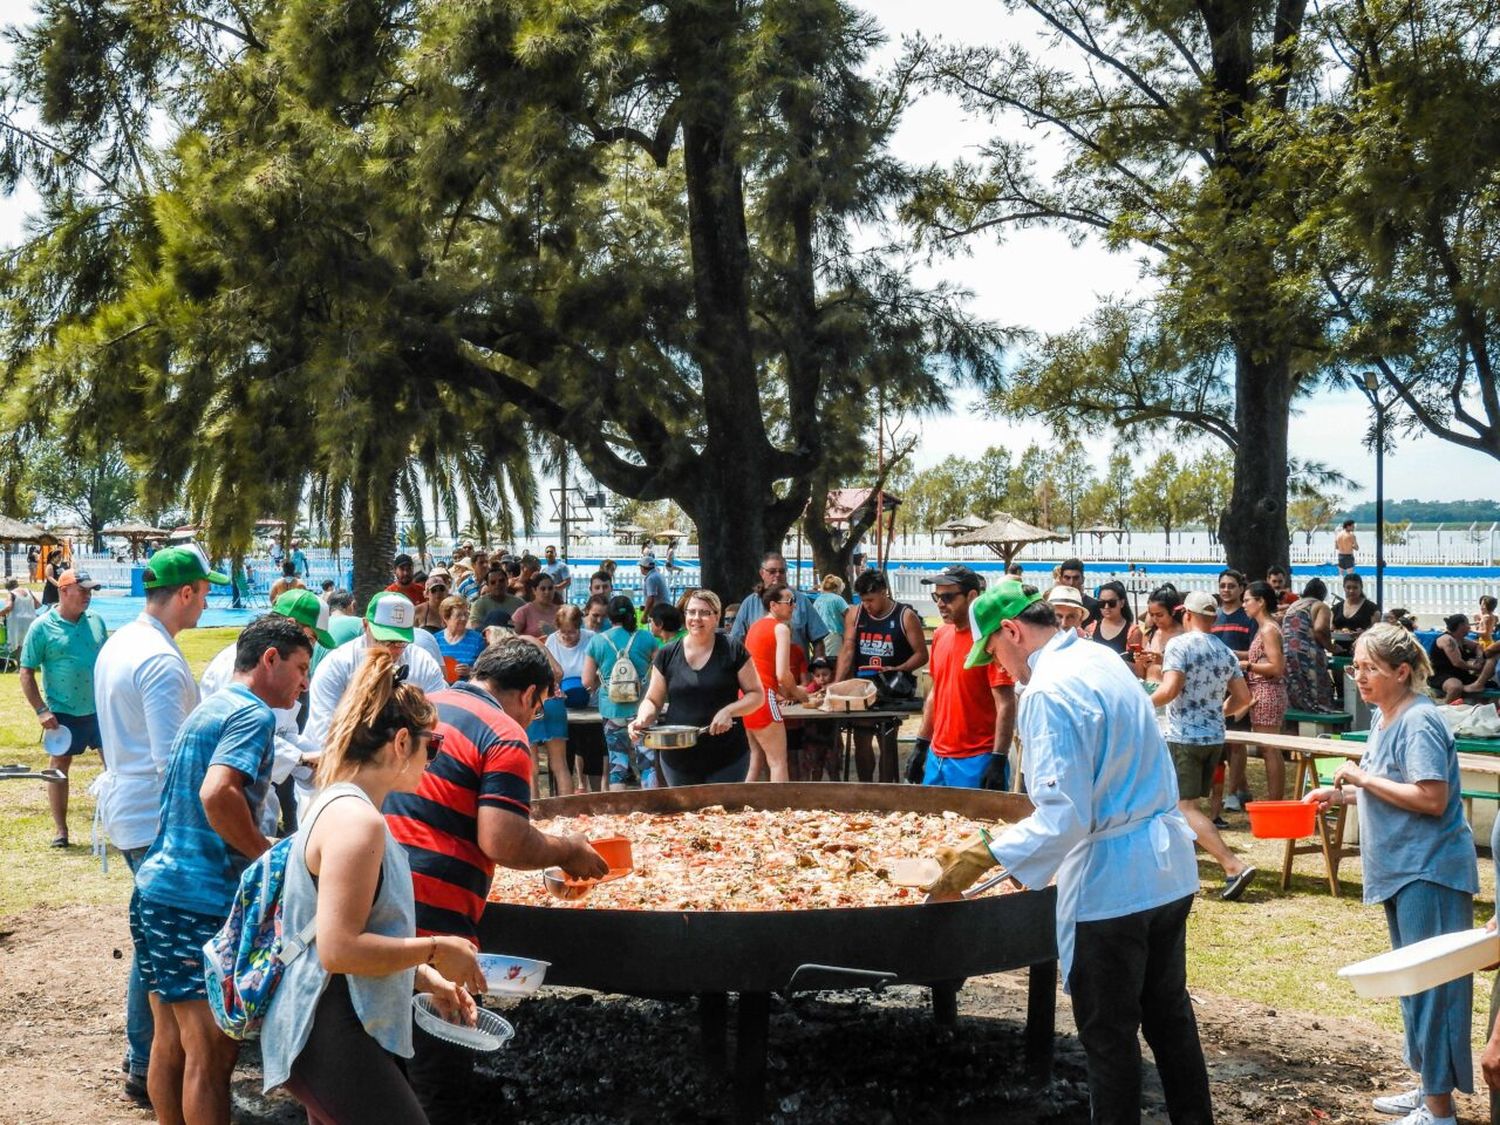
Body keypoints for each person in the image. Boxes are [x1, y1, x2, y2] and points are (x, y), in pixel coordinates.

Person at [927, 579, 1211, 1125]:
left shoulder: (1049, 692)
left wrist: (984, 853)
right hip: (1167, 870)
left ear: (1012, 630)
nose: (999, 666)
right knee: (1170, 1019)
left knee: (1108, 1037)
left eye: (994, 651)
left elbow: (1064, 816)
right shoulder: (1099, 658)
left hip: (1113, 888)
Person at [384, 640, 607, 1123]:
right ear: (529, 693)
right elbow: (502, 840)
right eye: (541, 702)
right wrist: (566, 848)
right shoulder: (504, 734)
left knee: (384, 1071)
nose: (537, 714)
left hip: (377, 895)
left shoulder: (426, 704)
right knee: (437, 1077)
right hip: (433, 913)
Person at [261, 647, 485, 1125]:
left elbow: (348, 931)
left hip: (333, 1021)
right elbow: (339, 949)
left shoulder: (346, 806)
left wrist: (422, 977)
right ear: (402, 742)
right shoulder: (357, 821)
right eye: (435, 746)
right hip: (330, 1024)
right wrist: (435, 948)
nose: (435, 759)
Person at [131, 616, 311, 1125]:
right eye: (299, 668)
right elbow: (217, 793)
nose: (304, 682)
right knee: (211, 1054)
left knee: (170, 1041)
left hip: (156, 892)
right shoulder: (253, 716)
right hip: (197, 898)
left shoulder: (211, 706)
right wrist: (266, 857)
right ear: (269, 659)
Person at [1305, 625, 1478, 1125]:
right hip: (1401, 870)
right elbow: (1390, 788)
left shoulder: (1420, 721)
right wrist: (1341, 795)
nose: (1359, 676)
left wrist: (1359, 776)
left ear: (1402, 672)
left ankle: (1440, 1110)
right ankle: (1428, 1088)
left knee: (1435, 990)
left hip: (1431, 871)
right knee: (1412, 985)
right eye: (1356, 666)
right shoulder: (1385, 718)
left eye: (1370, 668)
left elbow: (1431, 798)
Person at [93, 544, 226, 1103]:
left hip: (130, 804)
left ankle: (144, 1057)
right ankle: (148, 1059)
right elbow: (173, 762)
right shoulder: (161, 661)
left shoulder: (125, 640)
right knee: (161, 944)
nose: (209, 601)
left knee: (152, 939)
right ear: (187, 592)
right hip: (154, 815)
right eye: (206, 590)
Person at [200, 590, 339, 837]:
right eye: (311, 638)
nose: (312, 647)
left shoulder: (279, 672)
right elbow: (240, 738)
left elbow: (285, 733)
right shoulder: (236, 666)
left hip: (260, 800)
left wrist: (323, 761)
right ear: (291, 626)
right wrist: (302, 758)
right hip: (231, 807)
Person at [1150, 590, 1257, 900]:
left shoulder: (1178, 645)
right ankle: (1177, 869)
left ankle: (1232, 865)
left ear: (1186, 615)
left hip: (1183, 736)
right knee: (1180, 807)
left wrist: (1141, 703)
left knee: (1184, 808)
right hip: (1214, 738)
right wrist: (1215, 712)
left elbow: (1170, 690)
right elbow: (1243, 699)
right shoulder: (1225, 651)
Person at [628, 589, 764, 786]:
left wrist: (729, 711)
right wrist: (642, 719)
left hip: (727, 755)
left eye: (704, 613)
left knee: (725, 814)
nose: (696, 618)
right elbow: (653, 700)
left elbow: (757, 695)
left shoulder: (733, 649)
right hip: (677, 756)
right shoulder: (667, 654)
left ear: (716, 617)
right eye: (691, 612)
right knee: (684, 816)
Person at [19, 568, 107, 847]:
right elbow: (26, 672)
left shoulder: (96, 621)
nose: (87, 596)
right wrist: (41, 710)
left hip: (99, 710)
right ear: (64, 590)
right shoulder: (42, 627)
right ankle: (61, 831)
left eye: (90, 591)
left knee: (115, 766)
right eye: (82, 591)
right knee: (58, 768)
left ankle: (120, 825)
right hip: (62, 713)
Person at [913, 566, 1014, 790]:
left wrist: (998, 758)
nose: (940, 604)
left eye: (948, 597)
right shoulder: (941, 634)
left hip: (977, 758)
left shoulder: (990, 639)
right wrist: (921, 744)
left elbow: (1006, 703)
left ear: (972, 597)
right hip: (937, 758)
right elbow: (936, 693)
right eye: (936, 597)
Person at [833, 569, 928, 782]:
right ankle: (866, 787)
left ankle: (886, 787)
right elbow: (848, 649)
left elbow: (921, 654)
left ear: (884, 592)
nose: (867, 606)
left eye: (871, 600)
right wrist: (836, 685)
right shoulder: (855, 614)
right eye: (863, 600)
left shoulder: (905, 616)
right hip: (863, 685)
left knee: (887, 739)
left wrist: (899, 668)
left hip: (892, 688)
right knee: (862, 737)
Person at [585, 595, 660, 791]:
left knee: (617, 762)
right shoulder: (646, 638)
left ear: (610, 617)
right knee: (647, 760)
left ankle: (619, 813)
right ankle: (650, 806)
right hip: (643, 708)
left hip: (611, 709)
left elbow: (586, 680)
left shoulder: (597, 641)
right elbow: (662, 670)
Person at [742, 584, 813, 783]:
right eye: (790, 602)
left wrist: (787, 692)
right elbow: (782, 674)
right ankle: (780, 810)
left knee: (755, 759)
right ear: (773, 605)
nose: (794, 606)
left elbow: (765, 670)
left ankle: (742, 804)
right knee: (778, 761)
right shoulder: (780, 628)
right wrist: (799, 694)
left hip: (746, 697)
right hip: (764, 698)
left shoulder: (755, 626)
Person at [1213, 568, 1258, 815]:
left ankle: (1231, 794)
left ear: (1241, 589)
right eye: (1223, 585)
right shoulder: (1214, 617)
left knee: (1237, 743)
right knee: (1221, 743)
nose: (1226, 589)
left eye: (1231, 585)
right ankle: (1240, 788)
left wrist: (1225, 653)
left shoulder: (1248, 618)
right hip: (1215, 687)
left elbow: (1254, 652)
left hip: (1240, 685)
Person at [728, 551, 829, 660]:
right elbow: (737, 643)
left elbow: (818, 641)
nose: (777, 575)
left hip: (796, 673)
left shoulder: (801, 601)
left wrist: (817, 668)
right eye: (772, 571)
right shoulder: (749, 604)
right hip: (758, 674)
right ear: (762, 573)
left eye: (781, 571)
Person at [1240, 580, 1289, 800]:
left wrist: (1248, 666)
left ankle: (1275, 800)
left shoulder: (1268, 629)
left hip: (1267, 691)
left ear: (1260, 602)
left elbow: (1276, 667)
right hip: (1262, 691)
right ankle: (1274, 799)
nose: (1244, 605)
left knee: (1270, 748)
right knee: (1269, 748)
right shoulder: (1266, 627)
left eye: (1247, 600)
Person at [1283, 578, 1337, 712]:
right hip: (1307, 655)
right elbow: (1320, 629)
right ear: (1323, 594)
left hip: (1287, 654)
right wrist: (1331, 647)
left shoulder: (1293, 605)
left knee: (1297, 693)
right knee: (1317, 695)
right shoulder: (1320, 606)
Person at [1428, 613, 1499, 701]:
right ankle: (1444, 709)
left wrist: (1480, 658)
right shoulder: (1447, 639)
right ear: (1461, 625)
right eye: (1467, 624)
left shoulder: (1461, 640)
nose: (1469, 627)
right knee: (1456, 687)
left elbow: (1477, 646)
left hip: (1460, 674)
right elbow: (1457, 662)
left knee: (1491, 685)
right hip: (1441, 674)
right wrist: (1475, 668)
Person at [798, 658, 840, 781]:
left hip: (832, 734)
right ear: (813, 676)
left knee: (833, 766)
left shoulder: (836, 688)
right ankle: (814, 795)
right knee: (815, 767)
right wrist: (816, 695)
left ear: (832, 674)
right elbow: (804, 697)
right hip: (813, 734)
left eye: (825, 674)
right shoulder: (812, 688)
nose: (821, 678)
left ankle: (837, 794)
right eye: (817, 675)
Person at [1133, 585, 1183, 682]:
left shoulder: (1183, 635)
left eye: (1160, 615)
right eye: (1151, 615)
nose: (1155, 619)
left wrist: (1162, 661)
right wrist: (1140, 661)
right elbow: (1142, 674)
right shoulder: (1152, 633)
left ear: (1172, 611)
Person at [436, 595, 486, 683]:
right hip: (440, 690)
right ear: (446, 617)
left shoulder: (478, 640)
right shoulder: (435, 640)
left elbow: (486, 672)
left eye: (466, 614)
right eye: (458, 615)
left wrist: (470, 671)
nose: (463, 618)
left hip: (467, 691)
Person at [1089, 580, 1141, 659]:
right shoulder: (1091, 629)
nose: (1106, 607)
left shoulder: (1133, 633)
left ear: (1122, 603)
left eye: (1111, 603)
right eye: (1102, 603)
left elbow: (1138, 664)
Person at [1333, 571, 1380, 641]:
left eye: (1355, 588)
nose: (1351, 591)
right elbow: (1331, 628)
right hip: (1339, 649)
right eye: (1348, 588)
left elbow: (1377, 632)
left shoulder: (1372, 609)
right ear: (1344, 588)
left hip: (1363, 648)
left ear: (1361, 588)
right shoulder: (1336, 608)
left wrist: (1364, 633)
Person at [510, 573, 560, 638]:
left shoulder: (561, 612)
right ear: (534, 590)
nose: (547, 592)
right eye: (543, 589)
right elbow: (512, 636)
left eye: (550, 588)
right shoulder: (523, 612)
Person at [1057, 557, 1100, 630]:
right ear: (1061, 579)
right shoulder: (1053, 604)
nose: (1071, 583)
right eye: (1067, 578)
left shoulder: (1094, 606)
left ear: (1083, 579)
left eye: (1076, 578)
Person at [812, 574, 850, 650]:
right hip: (834, 636)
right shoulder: (838, 599)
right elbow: (849, 615)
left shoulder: (818, 600)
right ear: (837, 588)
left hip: (819, 636)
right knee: (834, 660)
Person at [639, 551, 670, 616]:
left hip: (660, 612)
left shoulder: (651, 578)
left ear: (643, 567)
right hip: (664, 609)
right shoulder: (657, 575)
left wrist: (644, 615)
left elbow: (651, 598)